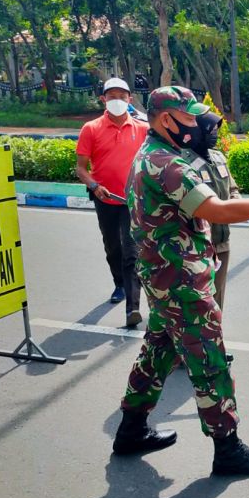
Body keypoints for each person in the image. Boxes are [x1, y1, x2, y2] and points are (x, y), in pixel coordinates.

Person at [112, 85, 249, 476]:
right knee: (209, 357)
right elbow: (217, 210)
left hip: (162, 274)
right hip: (180, 278)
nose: (197, 124)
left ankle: (131, 429)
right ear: (166, 120)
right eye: (189, 117)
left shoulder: (153, 154)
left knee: (158, 350)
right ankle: (228, 449)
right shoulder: (166, 163)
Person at [76, 77, 147, 327]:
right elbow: (81, 168)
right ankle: (119, 283)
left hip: (132, 200)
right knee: (112, 247)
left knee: (131, 252)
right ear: (103, 99)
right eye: (112, 95)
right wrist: (94, 186)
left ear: (130, 99)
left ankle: (132, 309)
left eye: (122, 95)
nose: (117, 100)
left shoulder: (142, 129)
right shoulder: (91, 128)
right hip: (104, 198)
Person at [178, 108, 240, 310]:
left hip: (222, 242)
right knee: (200, 298)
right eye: (210, 128)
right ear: (197, 130)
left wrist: (235, 201)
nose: (214, 133)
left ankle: (216, 335)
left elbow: (232, 188)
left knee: (218, 295)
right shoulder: (183, 163)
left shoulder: (218, 157)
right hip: (198, 246)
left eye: (216, 128)